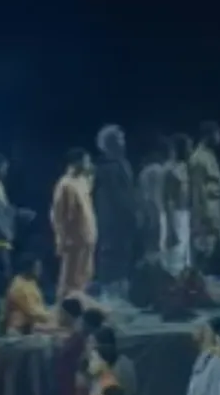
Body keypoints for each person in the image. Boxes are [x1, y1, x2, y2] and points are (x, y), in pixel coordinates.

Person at [92, 125, 137, 294]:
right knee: (110, 254)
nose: (123, 142)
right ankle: (108, 290)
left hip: (126, 217)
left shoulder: (124, 163)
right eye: (119, 138)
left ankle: (120, 287)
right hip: (112, 219)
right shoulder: (105, 167)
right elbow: (112, 196)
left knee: (124, 252)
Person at [52, 148, 97, 299]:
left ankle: (79, 304)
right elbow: (58, 215)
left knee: (85, 276)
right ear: (76, 162)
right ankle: (64, 307)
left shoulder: (83, 181)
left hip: (87, 236)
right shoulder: (65, 184)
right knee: (69, 278)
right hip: (73, 239)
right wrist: (61, 238)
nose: (89, 163)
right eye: (86, 160)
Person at [188, 120, 220, 270]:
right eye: (217, 134)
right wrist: (203, 215)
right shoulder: (198, 158)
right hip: (206, 210)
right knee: (203, 251)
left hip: (215, 206)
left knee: (212, 248)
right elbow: (197, 189)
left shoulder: (210, 156)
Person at [162, 133, 193, 276]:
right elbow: (167, 199)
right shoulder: (170, 170)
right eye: (188, 147)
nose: (190, 151)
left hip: (185, 214)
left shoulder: (185, 167)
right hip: (174, 215)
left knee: (185, 254)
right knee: (175, 253)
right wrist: (171, 228)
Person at [137, 144, 168, 263]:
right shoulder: (160, 170)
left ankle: (149, 265)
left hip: (146, 209)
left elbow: (141, 194)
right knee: (159, 241)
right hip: (159, 208)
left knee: (149, 241)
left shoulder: (143, 172)